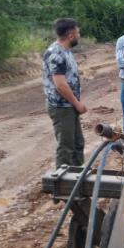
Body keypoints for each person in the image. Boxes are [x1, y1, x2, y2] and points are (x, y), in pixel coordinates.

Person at [42, 18, 86, 168]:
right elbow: (60, 85)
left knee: (77, 144)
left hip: (68, 106)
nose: (79, 35)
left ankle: (78, 179)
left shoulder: (64, 51)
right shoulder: (56, 54)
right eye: (78, 32)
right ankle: (63, 187)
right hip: (62, 107)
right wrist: (77, 103)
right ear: (71, 35)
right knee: (66, 147)